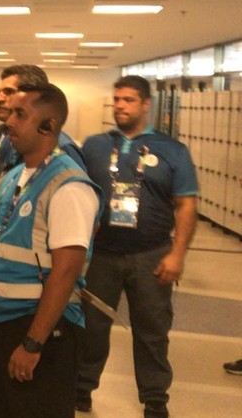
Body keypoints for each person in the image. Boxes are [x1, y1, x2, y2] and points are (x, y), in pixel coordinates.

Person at [0, 83, 100, 418]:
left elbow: (66, 272)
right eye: (10, 112)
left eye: (21, 114)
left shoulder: (68, 186)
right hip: (1, 321)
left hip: (41, 328)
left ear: (48, 126)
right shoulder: (13, 178)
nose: (9, 120)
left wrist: (33, 343)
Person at [76, 75, 198, 418]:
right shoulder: (95, 145)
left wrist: (177, 254)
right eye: (116, 99)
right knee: (91, 326)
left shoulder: (173, 150)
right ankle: (81, 388)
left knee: (152, 330)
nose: (120, 106)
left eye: (128, 100)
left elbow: (186, 205)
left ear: (146, 104)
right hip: (102, 254)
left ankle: (155, 398)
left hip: (152, 256)